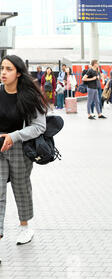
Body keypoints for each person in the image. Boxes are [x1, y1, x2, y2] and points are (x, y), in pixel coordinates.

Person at [0, 55, 48, 255]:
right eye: (2, 68)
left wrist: (14, 136)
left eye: (9, 69)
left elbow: (39, 126)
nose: (3, 72)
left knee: (21, 187)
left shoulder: (29, 96)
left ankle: (25, 226)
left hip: (19, 148)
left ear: (18, 73)